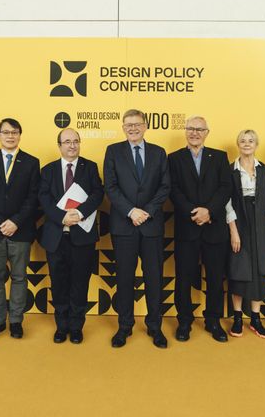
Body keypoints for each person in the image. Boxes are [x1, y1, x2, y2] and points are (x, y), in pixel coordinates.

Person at [104, 109, 171, 349]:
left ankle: (155, 327)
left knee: (154, 278)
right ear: (123, 127)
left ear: (145, 126)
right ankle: (125, 326)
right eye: (128, 124)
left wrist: (148, 211)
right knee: (124, 278)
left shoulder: (159, 152)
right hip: (124, 225)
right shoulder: (113, 152)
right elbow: (110, 187)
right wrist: (131, 211)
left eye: (137, 124)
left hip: (151, 226)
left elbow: (165, 187)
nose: (133, 128)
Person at [168, 116, 232, 343]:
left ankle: (213, 320)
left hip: (214, 228)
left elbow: (226, 188)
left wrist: (209, 211)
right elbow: (172, 190)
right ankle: (184, 320)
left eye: (199, 129)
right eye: (191, 129)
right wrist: (193, 212)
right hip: (187, 228)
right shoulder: (174, 158)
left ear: (207, 132)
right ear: (185, 131)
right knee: (183, 278)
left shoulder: (220, 157)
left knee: (215, 278)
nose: (194, 133)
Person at [38, 128, 104, 344]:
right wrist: (61, 218)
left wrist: (80, 212)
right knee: (58, 282)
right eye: (67, 142)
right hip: (56, 236)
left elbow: (97, 194)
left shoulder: (90, 167)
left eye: (76, 141)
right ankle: (61, 326)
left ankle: (76, 327)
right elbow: (44, 198)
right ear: (59, 145)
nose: (72, 145)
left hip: (82, 237)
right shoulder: (48, 170)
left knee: (79, 283)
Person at [0, 118, 41, 341]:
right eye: (6, 132)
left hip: (20, 230)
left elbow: (33, 198)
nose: (10, 136)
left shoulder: (32, 162)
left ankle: (15, 321)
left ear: (20, 135)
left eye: (14, 132)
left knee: (19, 277)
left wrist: (15, 222)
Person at [224, 129, 265, 339]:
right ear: (237, 144)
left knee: (259, 270)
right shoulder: (230, 170)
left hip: (261, 224)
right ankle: (238, 318)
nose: (247, 144)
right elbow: (227, 203)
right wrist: (234, 232)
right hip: (239, 223)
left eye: (251, 141)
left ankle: (256, 319)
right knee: (239, 269)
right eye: (243, 141)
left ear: (256, 144)